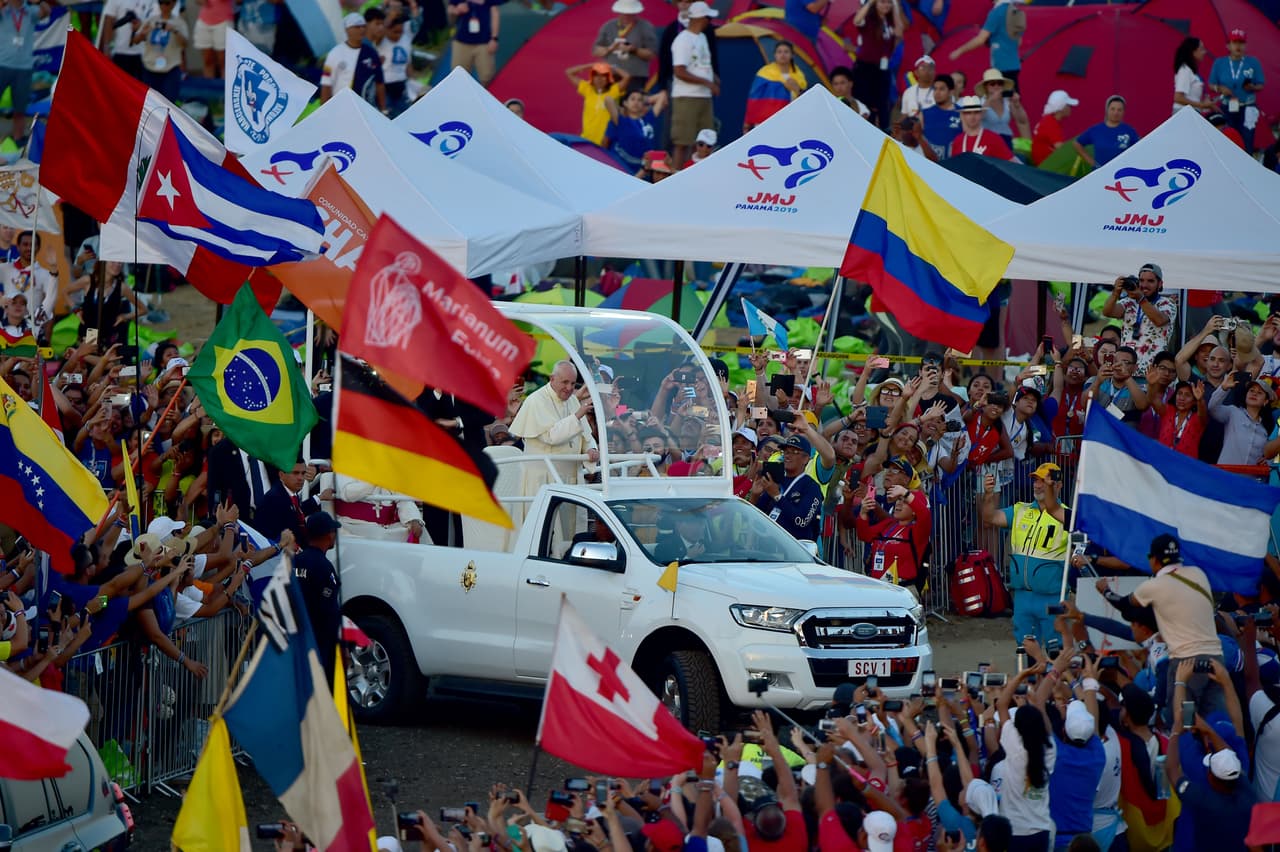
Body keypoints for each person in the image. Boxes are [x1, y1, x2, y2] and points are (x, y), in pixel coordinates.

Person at [980, 462, 1068, 642]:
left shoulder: (1068, 516)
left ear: (1058, 485)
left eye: (1043, 481)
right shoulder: (1020, 509)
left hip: (1052, 597)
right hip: (1022, 597)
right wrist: (989, 495)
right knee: (1024, 650)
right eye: (1035, 480)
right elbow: (989, 518)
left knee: (1055, 651)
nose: (1037, 485)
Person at [1167, 677, 1256, 850]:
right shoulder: (1246, 788)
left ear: (1211, 775)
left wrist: (1180, 682)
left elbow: (1171, 768)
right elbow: (1238, 726)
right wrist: (1227, 683)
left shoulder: (1196, 771)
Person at [507, 360, 599, 527]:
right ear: (552, 379)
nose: (570, 388)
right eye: (565, 382)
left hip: (569, 477)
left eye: (572, 383)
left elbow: (585, 434)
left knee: (569, 531)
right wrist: (577, 416)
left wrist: (591, 448)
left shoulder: (572, 401)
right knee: (547, 532)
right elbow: (550, 436)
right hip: (543, 480)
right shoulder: (536, 400)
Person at [293, 512, 343, 689]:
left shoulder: (294, 562)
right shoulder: (324, 567)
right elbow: (329, 612)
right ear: (329, 534)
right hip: (319, 644)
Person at [668, 1, 718, 169]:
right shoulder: (683, 40)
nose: (709, 21)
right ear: (700, 18)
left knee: (703, 141)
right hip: (686, 96)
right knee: (683, 142)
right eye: (708, 18)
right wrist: (707, 82)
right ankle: (675, 177)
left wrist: (713, 78)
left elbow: (701, 65)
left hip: (703, 95)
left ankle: (695, 175)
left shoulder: (702, 37)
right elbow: (679, 71)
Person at [1101, 263, 1176, 372]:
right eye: (1141, 280)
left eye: (1150, 281)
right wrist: (1115, 293)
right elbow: (1108, 312)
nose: (1144, 285)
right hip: (1125, 369)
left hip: (1153, 372)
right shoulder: (1129, 301)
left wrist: (1140, 298)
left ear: (1160, 284)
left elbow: (1159, 320)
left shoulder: (1167, 303)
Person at [750, 434, 823, 541]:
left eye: (795, 452)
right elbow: (755, 517)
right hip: (768, 546)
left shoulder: (811, 487)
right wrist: (754, 496)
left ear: (806, 459)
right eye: (786, 452)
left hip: (794, 551)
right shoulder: (776, 481)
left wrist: (777, 496)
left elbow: (801, 521)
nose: (788, 456)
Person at [845, 0, 901, 130]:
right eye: (882, 2)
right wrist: (869, 3)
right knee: (865, 103)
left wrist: (896, 5)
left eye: (888, 2)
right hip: (865, 68)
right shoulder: (869, 19)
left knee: (882, 104)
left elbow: (899, 32)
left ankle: (883, 130)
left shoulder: (889, 20)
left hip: (882, 69)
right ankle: (862, 129)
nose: (885, 5)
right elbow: (856, 21)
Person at [1207, 28, 1264, 153]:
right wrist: (1220, 88)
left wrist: (1252, 87)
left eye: (1241, 43)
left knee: (1247, 140)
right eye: (1235, 43)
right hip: (1227, 106)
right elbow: (1211, 84)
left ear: (1245, 45)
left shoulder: (1253, 62)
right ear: (1228, 45)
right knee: (1227, 140)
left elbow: (1261, 84)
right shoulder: (1220, 63)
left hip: (1247, 106)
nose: (1238, 46)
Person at [948, 0, 1025, 90]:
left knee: (1000, 98)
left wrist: (959, 51)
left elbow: (981, 39)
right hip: (1014, 64)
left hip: (1001, 64)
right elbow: (1019, 42)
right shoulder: (1017, 12)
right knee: (1013, 98)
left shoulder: (996, 13)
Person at [321, 13, 387, 112]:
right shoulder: (335, 54)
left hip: (366, 109)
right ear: (347, 29)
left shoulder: (371, 53)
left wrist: (383, 109)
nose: (361, 30)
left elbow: (379, 83)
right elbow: (326, 84)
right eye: (356, 27)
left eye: (363, 26)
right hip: (342, 108)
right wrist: (324, 111)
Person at [333, 473, 425, 542]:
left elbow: (403, 499)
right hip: (355, 525)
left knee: (422, 534)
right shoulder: (347, 465)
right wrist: (375, 479)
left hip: (389, 527)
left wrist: (413, 519)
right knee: (382, 539)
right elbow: (348, 494)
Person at [744, 40, 807, 129]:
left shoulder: (799, 75)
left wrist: (797, 89)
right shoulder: (764, 73)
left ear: (792, 55)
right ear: (775, 55)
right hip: (765, 121)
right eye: (779, 52)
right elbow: (754, 97)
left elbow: (805, 100)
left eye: (786, 52)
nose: (783, 55)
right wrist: (747, 122)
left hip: (791, 120)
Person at [591, 0, 657, 81]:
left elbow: (652, 54)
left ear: (636, 12)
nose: (626, 16)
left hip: (635, 75)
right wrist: (609, 48)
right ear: (619, 12)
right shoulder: (608, 26)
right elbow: (595, 51)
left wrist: (634, 50)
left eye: (630, 14)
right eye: (623, 13)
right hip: (610, 74)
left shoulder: (645, 27)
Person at [136, 0, 188, 102]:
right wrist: (144, 33)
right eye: (161, 2)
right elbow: (136, 40)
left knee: (169, 103)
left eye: (167, 3)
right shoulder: (151, 20)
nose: (163, 6)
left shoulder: (179, 22)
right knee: (151, 105)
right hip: (150, 67)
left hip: (170, 68)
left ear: (173, 4)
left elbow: (185, 44)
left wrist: (174, 30)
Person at [607, 87, 666, 173]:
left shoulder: (649, 118)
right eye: (633, 99)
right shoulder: (621, 120)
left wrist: (645, 99)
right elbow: (608, 99)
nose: (636, 102)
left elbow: (662, 95)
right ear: (625, 103)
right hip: (622, 167)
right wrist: (622, 109)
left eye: (639, 100)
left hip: (643, 169)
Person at [566, 62, 626, 146]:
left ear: (608, 78)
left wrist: (611, 67)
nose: (599, 78)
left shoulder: (613, 91)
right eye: (596, 75)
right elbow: (569, 72)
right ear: (592, 77)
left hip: (604, 142)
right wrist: (591, 65)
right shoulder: (587, 89)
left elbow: (627, 77)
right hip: (586, 138)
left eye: (603, 75)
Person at [1071, 96, 1139, 169]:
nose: (1116, 112)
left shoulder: (1129, 130)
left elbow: (1140, 148)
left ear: (1123, 112)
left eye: (1119, 110)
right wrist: (1092, 162)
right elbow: (1077, 143)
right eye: (1112, 109)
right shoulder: (1096, 130)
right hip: (1100, 173)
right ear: (1107, 110)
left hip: (1122, 172)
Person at [447, 0, 501, 86]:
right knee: (457, 77)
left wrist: (494, 38)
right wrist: (456, 10)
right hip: (461, 41)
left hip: (484, 42)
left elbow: (495, 13)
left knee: (487, 77)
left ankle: (484, 97)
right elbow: (450, 9)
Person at [951, 96, 1015, 160]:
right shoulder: (958, 140)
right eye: (968, 113)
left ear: (981, 114)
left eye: (976, 112)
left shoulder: (993, 138)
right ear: (962, 116)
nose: (972, 116)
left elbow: (1011, 163)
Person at [1031, 89, 1076, 166]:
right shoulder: (1051, 123)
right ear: (1061, 107)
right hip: (1046, 165)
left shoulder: (1050, 120)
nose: (1071, 108)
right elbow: (1060, 148)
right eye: (1069, 105)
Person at [922, 73, 961, 158]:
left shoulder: (961, 113)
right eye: (935, 89)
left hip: (952, 165)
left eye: (941, 89)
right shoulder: (924, 113)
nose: (937, 93)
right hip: (928, 164)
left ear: (951, 92)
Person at [1173, 36, 1214, 114]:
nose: (1205, 52)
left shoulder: (1192, 72)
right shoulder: (1185, 70)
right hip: (1183, 114)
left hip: (1191, 113)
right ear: (1193, 52)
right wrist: (1202, 105)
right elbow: (1178, 98)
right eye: (1201, 49)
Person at [193, 0, 233, 78]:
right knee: (207, 60)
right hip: (204, 20)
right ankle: (208, 88)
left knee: (223, 60)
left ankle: (224, 87)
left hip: (223, 21)